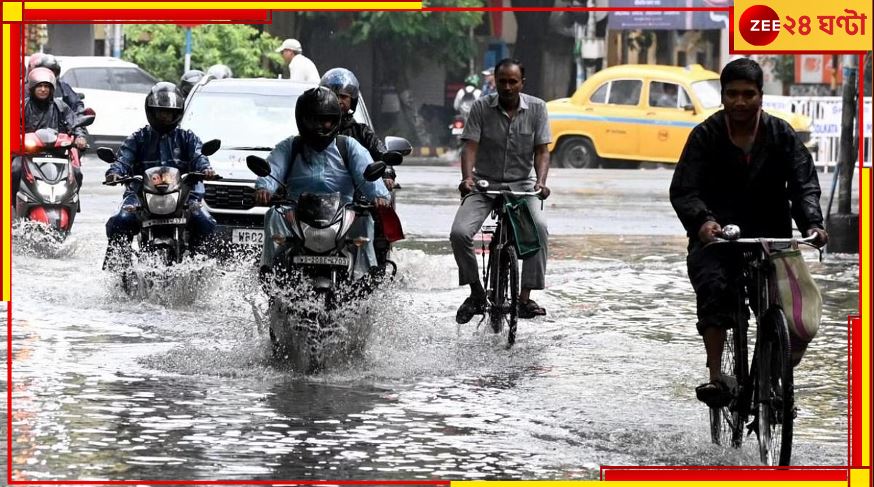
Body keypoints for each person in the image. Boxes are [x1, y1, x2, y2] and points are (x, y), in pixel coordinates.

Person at [669, 58, 829, 405]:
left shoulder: (781, 134)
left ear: (761, 96)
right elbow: (684, 189)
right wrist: (702, 223)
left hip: (772, 238)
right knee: (714, 290)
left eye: (748, 94)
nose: (740, 102)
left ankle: (769, 378)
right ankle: (716, 377)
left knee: (795, 313)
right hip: (718, 239)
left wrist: (813, 224)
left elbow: (804, 184)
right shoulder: (705, 136)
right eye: (732, 94)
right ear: (723, 97)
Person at [450, 58, 552, 324]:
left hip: (522, 186)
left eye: (512, 82)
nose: (507, 87)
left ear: (522, 83)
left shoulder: (538, 109)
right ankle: (475, 293)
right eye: (502, 81)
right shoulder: (481, 107)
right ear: (495, 81)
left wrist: (540, 182)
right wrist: (466, 178)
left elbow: (542, 151)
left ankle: (525, 297)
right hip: (484, 184)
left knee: (539, 229)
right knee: (459, 233)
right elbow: (470, 146)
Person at [254, 86, 390, 281]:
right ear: (302, 120)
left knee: (365, 218)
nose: (320, 126)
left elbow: (366, 173)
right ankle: (272, 272)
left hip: (342, 214)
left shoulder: (348, 146)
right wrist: (264, 188)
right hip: (297, 215)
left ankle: (363, 277)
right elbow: (272, 168)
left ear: (335, 120)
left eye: (326, 120)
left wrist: (379, 196)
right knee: (274, 214)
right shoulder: (290, 146)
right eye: (313, 120)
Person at [102, 82, 217, 271]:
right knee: (120, 221)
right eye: (160, 112)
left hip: (183, 198)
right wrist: (114, 173)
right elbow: (124, 158)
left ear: (177, 113)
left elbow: (199, 156)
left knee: (205, 223)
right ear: (151, 112)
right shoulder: (138, 138)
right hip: (141, 197)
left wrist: (206, 169)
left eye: (169, 112)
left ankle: (203, 266)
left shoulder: (187, 137)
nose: (164, 116)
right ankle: (117, 267)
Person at [12, 67, 88, 208]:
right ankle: (12, 204)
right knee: (14, 170)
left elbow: (75, 123)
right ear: (32, 88)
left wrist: (80, 137)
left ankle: (72, 203)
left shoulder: (60, 106)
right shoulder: (22, 107)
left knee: (77, 173)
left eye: (46, 86)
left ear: (51, 88)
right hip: (28, 154)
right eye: (39, 86)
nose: (43, 89)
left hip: (57, 153)